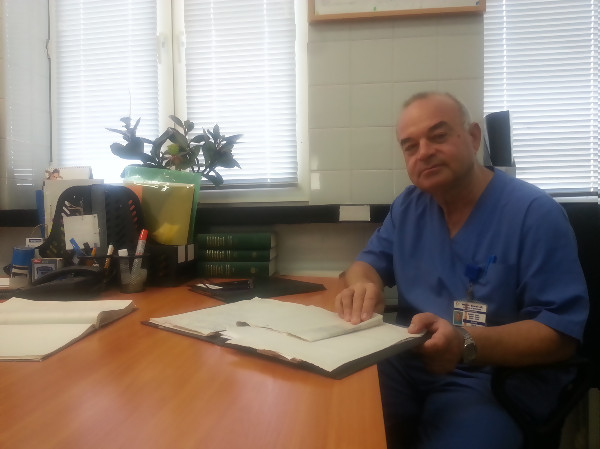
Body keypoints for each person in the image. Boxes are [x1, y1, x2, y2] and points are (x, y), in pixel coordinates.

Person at [335, 92, 589, 449]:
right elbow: (365, 266)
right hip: (410, 361)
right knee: (335, 417)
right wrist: (364, 285)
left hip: (494, 377)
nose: (423, 152)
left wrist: (465, 342)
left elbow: (559, 335)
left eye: (438, 136)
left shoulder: (535, 214)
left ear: (473, 137)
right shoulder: (409, 206)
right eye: (410, 146)